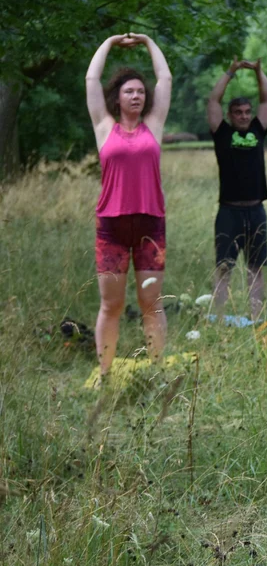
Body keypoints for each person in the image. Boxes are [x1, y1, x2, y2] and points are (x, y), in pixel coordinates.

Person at [85, 33, 172, 380]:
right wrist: (107, 42)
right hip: (112, 227)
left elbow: (165, 78)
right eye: (129, 91)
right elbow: (91, 79)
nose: (136, 96)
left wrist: (150, 41)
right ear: (117, 98)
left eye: (140, 91)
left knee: (152, 302)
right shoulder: (104, 127)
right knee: (112, 304)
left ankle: (157, 370)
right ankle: (105, 373)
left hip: (151, 224)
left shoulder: (155, 125)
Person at [207, 58, 267, 319]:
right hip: (229, 212)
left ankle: (257, 318)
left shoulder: (258, 130)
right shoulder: (221, 133)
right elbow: (213, 101)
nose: (245, 116)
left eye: (247, 111)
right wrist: (231, 71)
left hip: (256, 211)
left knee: (256, 267)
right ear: (230, 115)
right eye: (239, 112)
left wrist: (259, 71)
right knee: (224, 267)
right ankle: (218, 317)